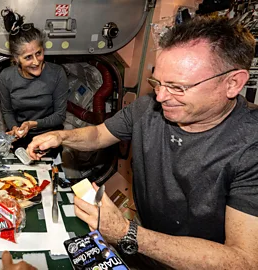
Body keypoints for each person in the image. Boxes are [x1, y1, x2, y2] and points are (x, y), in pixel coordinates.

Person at [24, 16, 258, 269]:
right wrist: (61, 136)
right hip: (147, 250)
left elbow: (244, 261)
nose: (161, 96)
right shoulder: (149, 107)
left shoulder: (251, 146)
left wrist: (127, 233)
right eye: (156, 82)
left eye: (177, 87)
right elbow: (100, 135)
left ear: (233, 83)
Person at [0, 9, 68, 155]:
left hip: (51, 137)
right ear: (16, 59)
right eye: (28, 57)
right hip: (21, 138)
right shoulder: (6, 77)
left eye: (39, 53)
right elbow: (7, 111)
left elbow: (60, 115)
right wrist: (15, 128)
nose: (36, 62)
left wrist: (32, 124)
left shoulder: (57, 73)